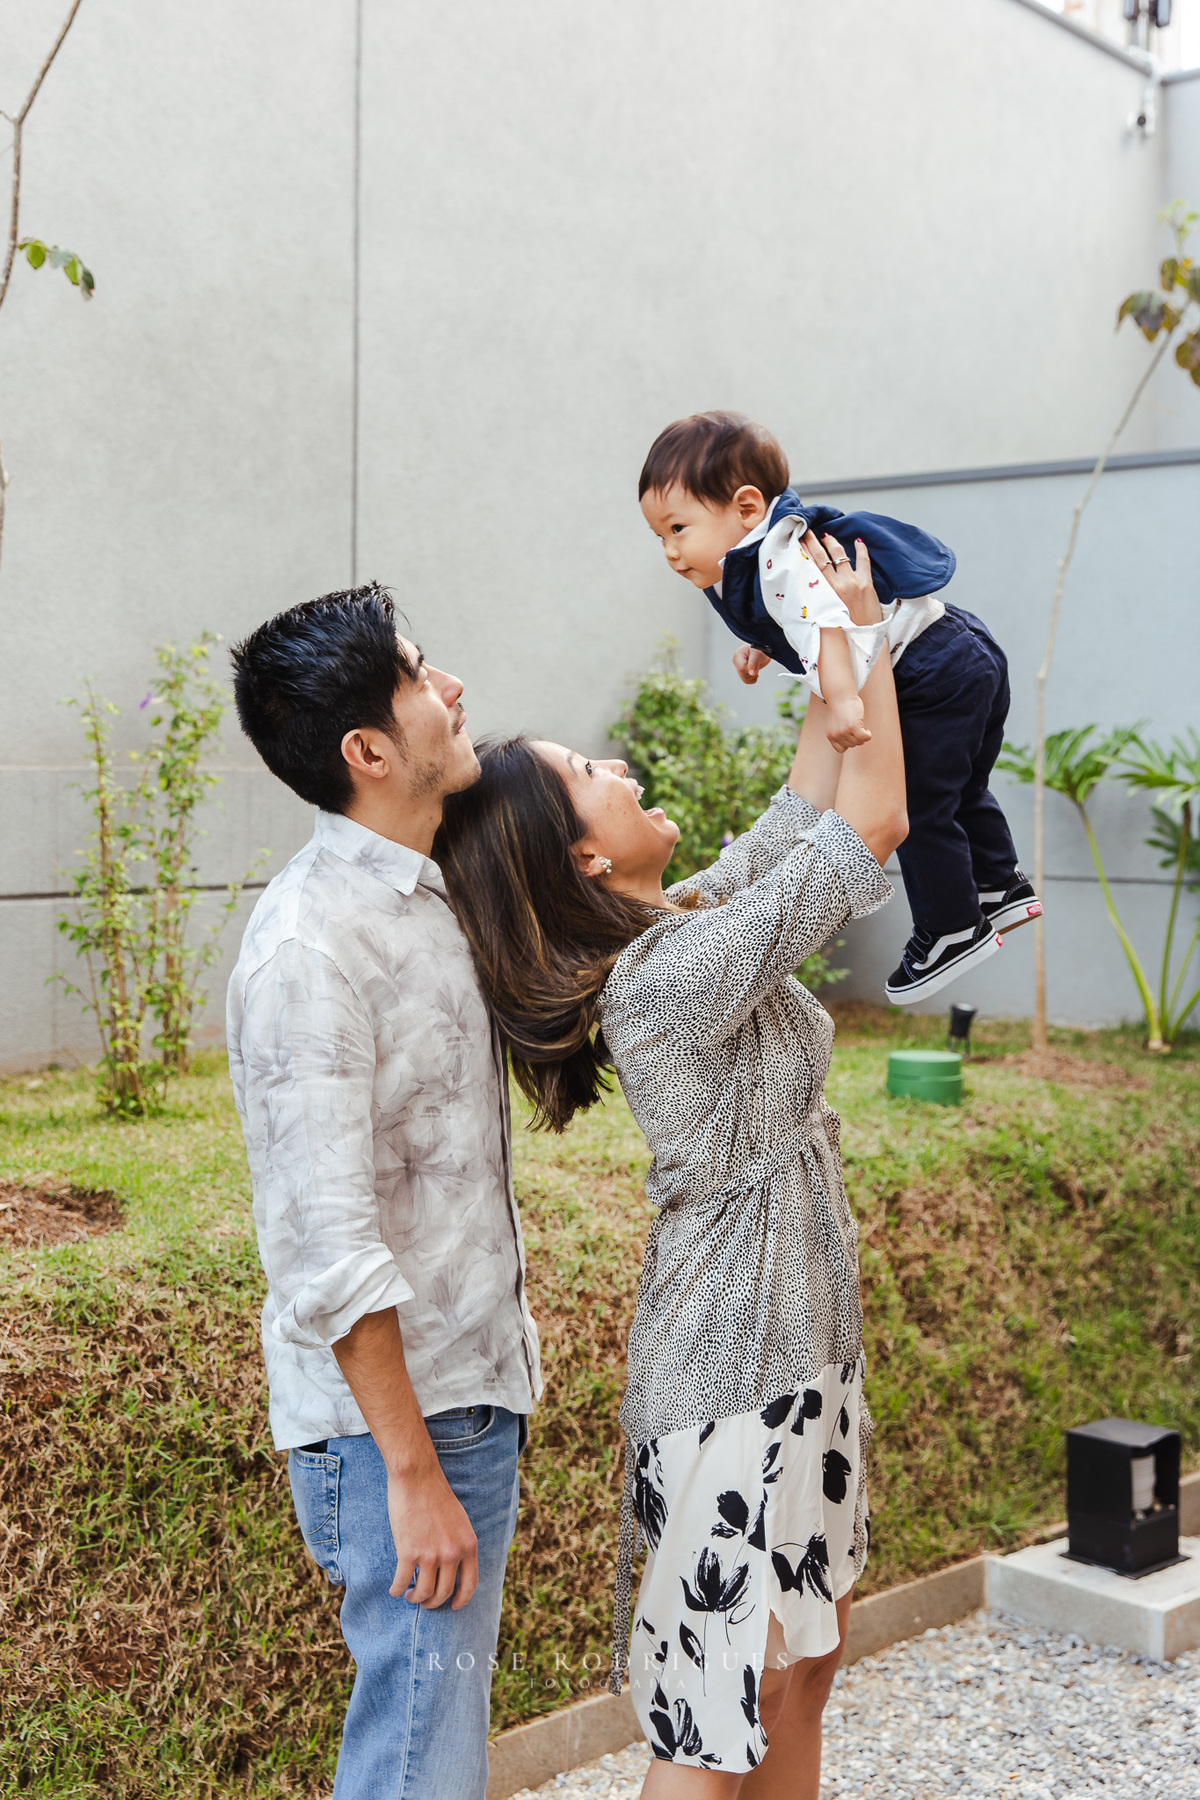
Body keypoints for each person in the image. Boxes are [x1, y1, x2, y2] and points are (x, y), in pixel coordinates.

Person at [436, 535, 907, 1798]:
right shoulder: (663, 979)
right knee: (713, 1710)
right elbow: (873, 821)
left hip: (803, 1349)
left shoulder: (682, 921)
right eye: (593, 774)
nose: (623, 767)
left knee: (805, 1666)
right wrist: (863, 643)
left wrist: (812, 635)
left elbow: (804, 810)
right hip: (730, 1376)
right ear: (582, 858)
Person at [226, 584, 542, 1800]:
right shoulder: (310, 947)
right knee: (418, 1765)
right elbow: (324, 1247)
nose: (451, 688)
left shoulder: (428, 886)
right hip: (401, 1432)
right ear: (368, 751)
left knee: (433, 1749)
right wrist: (412, 1475)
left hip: (467, 1395)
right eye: (420, 676)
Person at [638, 410, 1042, 1005]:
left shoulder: (776, 560)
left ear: (747, 508)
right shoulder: (773, 549)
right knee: (956, 789)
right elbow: (800, 618)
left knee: (921, 802)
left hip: (924, 669)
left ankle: (952, 928)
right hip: (957, 648)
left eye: (678, 528)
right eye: (660, 537)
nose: (671, 551)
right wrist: (765, 646)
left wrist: (846, 700)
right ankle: (998, 883)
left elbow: (828, 622)